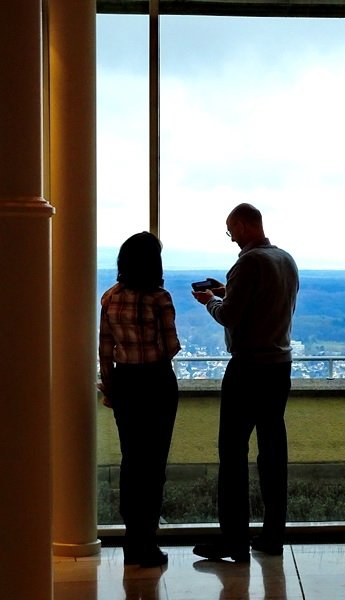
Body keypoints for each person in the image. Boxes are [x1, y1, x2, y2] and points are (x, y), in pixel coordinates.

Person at [191, 203, 299, 563]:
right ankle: (272, 535)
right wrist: (228, 290)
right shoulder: (286, 260)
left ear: (241, 225)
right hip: (279, 367)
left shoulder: (249, 262)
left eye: (230, 231)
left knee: (232, 452)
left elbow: (230, 315)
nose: (231, 238)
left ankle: (233, 539)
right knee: (272, 451)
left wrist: (210, 301)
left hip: (248, 368)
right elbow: (263, 302)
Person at [98, 231, 180, 568]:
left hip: (126, 383)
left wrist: (111, 385)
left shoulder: (109, 298)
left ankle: (133, 543)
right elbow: (171, 346)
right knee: (154, 464)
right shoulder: (160, 299)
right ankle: (148, 541)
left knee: (131, 462)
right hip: (157, 381)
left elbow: (105, 349)